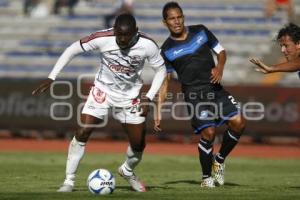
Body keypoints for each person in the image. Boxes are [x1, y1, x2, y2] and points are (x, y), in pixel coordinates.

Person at [32, 13, 167, 192]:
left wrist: (148, 97)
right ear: (114, 30)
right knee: (82, 132)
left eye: (127, 35)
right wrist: (52, 77)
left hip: (130, 98)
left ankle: (127, 171)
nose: (122, 39)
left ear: (136, 31)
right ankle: (68, 182)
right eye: (119, 34)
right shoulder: (103, 38)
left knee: (138, 144)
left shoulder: (148, 45)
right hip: (102, 92)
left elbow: (161, 70)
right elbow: (73, 48)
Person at [156, 2, 246, 188]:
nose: (177, 21)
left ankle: (219, 160)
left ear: (183, 17)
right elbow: (165, 82)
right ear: (165, 22)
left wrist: (219, 68)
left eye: (179, 16)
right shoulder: (165, 50)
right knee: (209, 132)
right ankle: (206, 178)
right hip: (194, 95)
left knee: (239, 122)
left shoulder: (201, 31)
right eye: (172, 19)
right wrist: (158, 110)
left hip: (215, 88)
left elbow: (221, 51)